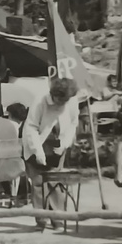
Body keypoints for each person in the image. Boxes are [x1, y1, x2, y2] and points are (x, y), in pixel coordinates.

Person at [22, 78, 81, 230]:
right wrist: (38, 152)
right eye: (59, 100)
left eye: (64, 101)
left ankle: (58, 219)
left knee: (55, 182)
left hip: (57, 144)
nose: (61, 104)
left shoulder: (72, 102)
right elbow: (31, 127)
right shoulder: (40, 101)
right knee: (38, 183)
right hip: (37, 142)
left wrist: (65, 143)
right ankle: (41, 221)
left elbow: (73, 123)